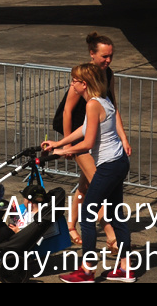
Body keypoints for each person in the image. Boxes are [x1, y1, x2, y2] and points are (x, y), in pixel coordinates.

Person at [43, 64, 135, 283]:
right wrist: (60, 142)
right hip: (119, 162)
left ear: (84, 84)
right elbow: (83, 129)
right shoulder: (102, 101)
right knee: (115, 216)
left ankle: (87, 270)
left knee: (86, 215)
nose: (71, 84)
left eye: (74, 81)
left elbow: (88, 142)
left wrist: (62, 151)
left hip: (110, 166)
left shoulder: (93, 104)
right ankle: (126, 269)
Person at [58, 32, 128, 247]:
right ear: (92, 54)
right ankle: (111, 235)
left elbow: (113, 106)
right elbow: (67, 111)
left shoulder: (108, 75)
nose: (107, 60)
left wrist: (123, 138)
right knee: (97, 181)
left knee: (87, 185)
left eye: (110, 56)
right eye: (104, 56)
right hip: (79, 136)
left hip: (95, 135)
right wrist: (68, 145)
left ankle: (70, 225)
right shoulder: (83, 78)